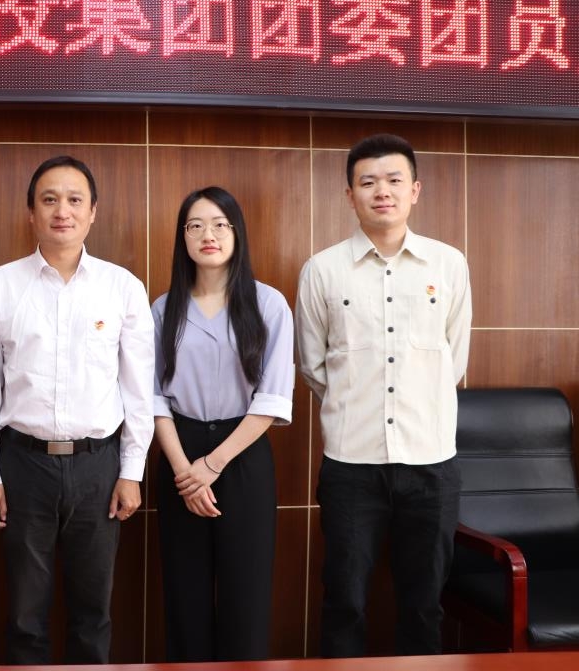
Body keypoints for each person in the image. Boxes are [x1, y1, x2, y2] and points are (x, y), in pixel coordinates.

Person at [0, 155, 154, 664]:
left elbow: (139, 391)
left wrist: (132, 472)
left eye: (75, 200)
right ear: (31, 212)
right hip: (22, 465)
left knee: (93, 613)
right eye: (49, 200)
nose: (62, 211)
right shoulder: (1, 284)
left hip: (99, 466)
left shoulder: (122, 286)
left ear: (93, 212)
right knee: (25, 614)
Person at [295, 133, 472, 657]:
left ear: (415, 190)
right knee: (344, 600)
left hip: (431, 462)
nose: (382, 191)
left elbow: (453, 359)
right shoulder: (322, 270)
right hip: (352, 465)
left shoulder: (448, 264)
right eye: (368, 182)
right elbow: (313, 365)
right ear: (350, 194)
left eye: (394, 180)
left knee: (424, 603)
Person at [152, 187, 294, 661]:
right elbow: (151, 399)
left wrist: (212, 465)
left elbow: (272, 398)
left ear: (237, 233)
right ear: (183, 238)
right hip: (180, 452)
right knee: (185, 595)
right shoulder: (163, 309)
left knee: (245, 595)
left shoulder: (268, 304)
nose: (207, 235)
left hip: (243, 452)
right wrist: (185, 472)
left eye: (219, 224)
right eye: (195, 226)